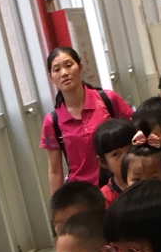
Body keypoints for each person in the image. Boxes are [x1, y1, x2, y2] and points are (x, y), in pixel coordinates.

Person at [42, 46, 133, 193]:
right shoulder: (52, 121)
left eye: (69, 65)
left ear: (80, 67)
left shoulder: (107, 99)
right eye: (57, 69)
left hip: (119, 186)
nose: (64, 73)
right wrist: (57, 205)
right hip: (83, 195)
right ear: (51, 77)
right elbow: (55, 171)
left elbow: (135, 132)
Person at [93, 116, 134, 204]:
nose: (125, 157)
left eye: (130, 149)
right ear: (103, 162)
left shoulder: (149, 180)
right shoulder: (105, 199)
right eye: (116, 154)